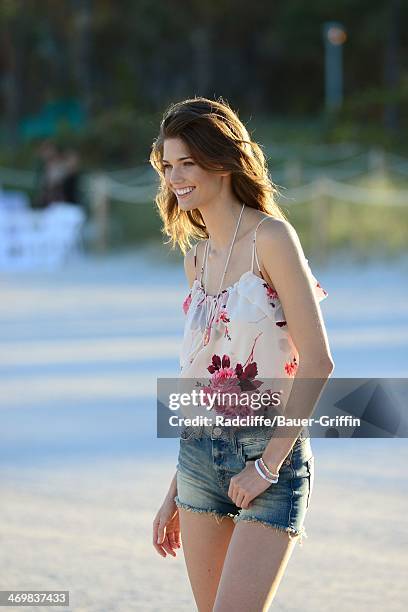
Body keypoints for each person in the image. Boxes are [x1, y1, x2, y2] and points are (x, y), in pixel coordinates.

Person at [150, 97, 334, 611]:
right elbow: (200, 386)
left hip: (269, 456)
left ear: (223, 162)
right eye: (169, 165)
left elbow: (318, 361)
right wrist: (173, 491)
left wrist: (268, 467)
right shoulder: (195, 260)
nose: (176, 177)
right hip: (198, 458)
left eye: (187, 162)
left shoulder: (272, 238)